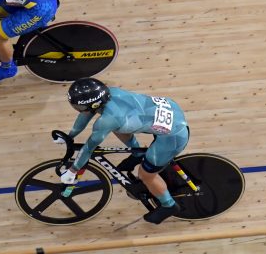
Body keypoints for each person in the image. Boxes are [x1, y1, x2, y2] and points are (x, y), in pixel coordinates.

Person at [59, 78, 189, 224]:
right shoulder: (109, 93)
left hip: (173, 136)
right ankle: (137, 154)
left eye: (79, 106)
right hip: (170, 110)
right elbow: (86, 113)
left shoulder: (108, 120)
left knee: (146, 175)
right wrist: (69, 136)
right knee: (119, 125)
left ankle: (168, 205)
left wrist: (73, 170)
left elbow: (89, 147)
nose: (78, 109)